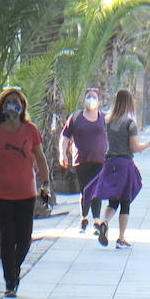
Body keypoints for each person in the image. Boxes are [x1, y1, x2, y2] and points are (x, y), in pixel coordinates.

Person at [0, 87, 51, 298]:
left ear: (22, 106)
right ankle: (10, 281)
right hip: (0, 194)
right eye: (9, 101)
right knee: (8, 237)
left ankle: (14, 271)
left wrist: (46, 183)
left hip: (26, 193)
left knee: (25, 239)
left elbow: (40, 158)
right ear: (2, 106)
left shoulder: (30, 130)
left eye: (17, 101)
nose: (13, 105)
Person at [81, 88, 150, 249]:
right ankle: (121, 238)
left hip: (110, 163)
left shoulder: (108, 121)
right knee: (125, 202)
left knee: (113, 200)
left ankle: (105, 223)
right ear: (129, 103)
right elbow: (135, 148)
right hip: (124, 164)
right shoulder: (130, 124)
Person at [61, 88, 108, 233]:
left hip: (99, 160)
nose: (91, 99)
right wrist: (62, 154)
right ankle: (84, 217)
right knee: (85, 189)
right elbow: (65, 136)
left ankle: (96, 221)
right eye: (89, 97)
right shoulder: (76, 117)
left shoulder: (103, 118)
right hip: (80, 160)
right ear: (84, 100)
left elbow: (110, 136)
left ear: (99, 102)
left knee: (96, 190)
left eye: (94, 97)